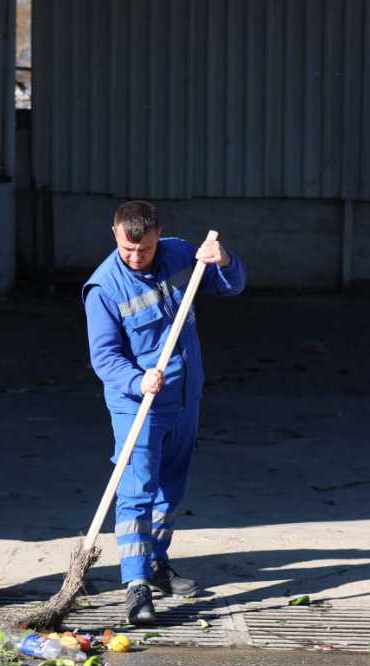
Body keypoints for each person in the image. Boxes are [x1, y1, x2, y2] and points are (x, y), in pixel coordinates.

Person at [82, 200, 246, 625]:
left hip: (185, 397)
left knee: (170, 489)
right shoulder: (104, 288)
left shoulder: (179, 253)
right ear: (115, 235)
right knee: (136, 491)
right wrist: (138, 381)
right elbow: (104, 358)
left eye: (145, 249)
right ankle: (135, 584)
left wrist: (222, 259)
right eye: (127, 250)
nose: (136, 257)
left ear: (158, 236)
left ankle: (156, 564)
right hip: (139, 404)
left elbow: (230, 286)